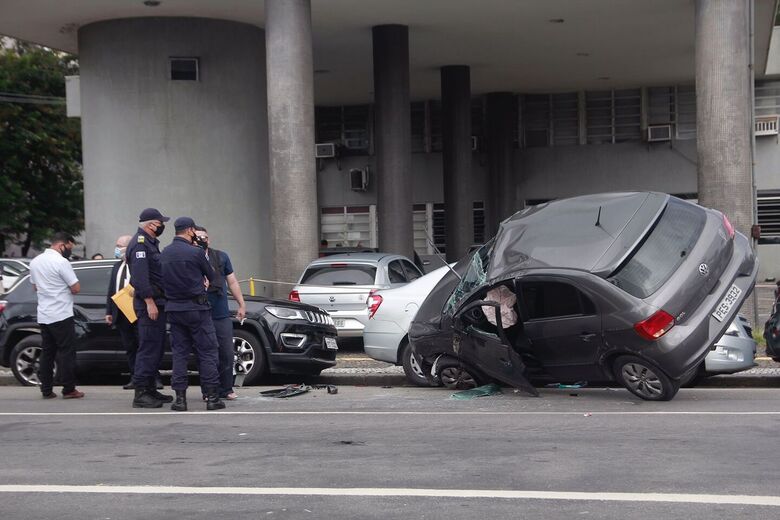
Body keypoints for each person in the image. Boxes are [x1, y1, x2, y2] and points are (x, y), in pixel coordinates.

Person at [161, 217, 224, 411]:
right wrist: (202, 248)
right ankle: (212, 397)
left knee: (179, 354)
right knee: (207, 351)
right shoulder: (196, 252)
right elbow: (212, 275)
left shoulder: (165, 252)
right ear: (189, 230)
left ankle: (180, 400)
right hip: (197, 309)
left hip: (174, 309)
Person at [28, 232, 84, 399]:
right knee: (67, 352)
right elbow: (76, 288)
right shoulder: (61, 262)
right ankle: (68, 389)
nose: (69, 251)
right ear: (62, 245)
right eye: (69, 247)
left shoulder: (35, 261)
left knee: (47, 352)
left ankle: (46, 389)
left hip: (44, 314)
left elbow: (35, 287)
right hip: (61, 313)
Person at [126, 208, 173, 408]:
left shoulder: (150, 243)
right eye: (161, 223)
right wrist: (149, 302)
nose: (162, 226)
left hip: (158, 302)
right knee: (148, 348)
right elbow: (140, 277)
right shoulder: (140, 244)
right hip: (149, 304)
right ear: (151, 225)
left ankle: (151, 389)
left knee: (156, 348)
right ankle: (141, 393)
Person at [194, 226, 246, 400]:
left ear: (209, 239)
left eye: (204, 237)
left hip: (220, 313)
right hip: (200, 313)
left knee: (226, 352)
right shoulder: (190, 257)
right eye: (198, 237)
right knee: (206, 354)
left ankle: (226, 388)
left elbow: (232, 282)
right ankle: (209, 390)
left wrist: (241, 304)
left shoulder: (221, 257)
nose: (201, 240)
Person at [104, 235, 139, 389]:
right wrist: (109, 311)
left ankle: (151, 378)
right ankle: (135, 377)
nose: (117, 249)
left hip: (137, 312)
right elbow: (112, 290)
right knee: (130, 347)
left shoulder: (137, 264)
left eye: (119, 246)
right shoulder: (117, 266)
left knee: (143, 346)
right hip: (121, 313)